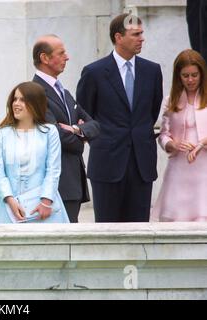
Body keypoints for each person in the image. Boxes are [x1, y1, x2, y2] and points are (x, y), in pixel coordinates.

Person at [76, 13, 163, 222]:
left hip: (141, 164)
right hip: (107, 163)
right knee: (107, 231)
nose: (142, 39)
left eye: (142, 33)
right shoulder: (94, 72)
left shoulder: (152, 71)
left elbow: (151, 112)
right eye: (136, 34)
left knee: (140, 231)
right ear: (118, 37)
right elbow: (85, 115)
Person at [32, 34, 99, 223]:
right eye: (61, 53)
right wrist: (80, 141)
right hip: (55, 186)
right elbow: (56, 136)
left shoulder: (64, 92)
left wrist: (77, 130)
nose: (67, 57)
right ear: (45, 58)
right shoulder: (36, 92)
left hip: (73, 183)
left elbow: (94, 125)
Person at [0, 81, 69, 224]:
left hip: (43, 207)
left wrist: (46, 201)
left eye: (23, 100)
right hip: (8, 207)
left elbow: (53, 169)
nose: (16, 104)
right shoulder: (0, 134)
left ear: (36, 103)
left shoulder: (50, 132)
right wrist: (10, 200)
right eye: (15, 99)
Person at [152, 49, 207, 222]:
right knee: (174, 218)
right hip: (178, 167)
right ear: (178, 76)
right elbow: (163, 135)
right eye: (185, 76)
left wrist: (203, 143)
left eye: (194, 75)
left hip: (204, 167)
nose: (190, 80)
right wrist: (172, 145)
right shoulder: (171, 100)